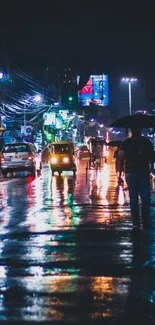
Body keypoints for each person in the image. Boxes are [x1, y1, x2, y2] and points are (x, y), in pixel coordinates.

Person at [116, 126, 154, 230]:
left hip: (131, 173)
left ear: (131, 131)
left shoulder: (126, 143)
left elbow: (120, 159)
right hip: (143, 172)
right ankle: (145, 221)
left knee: (134, 198)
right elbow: (152, 158)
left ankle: (136, 223)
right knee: (145, 198)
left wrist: (119, 175)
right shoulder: (147, 142)